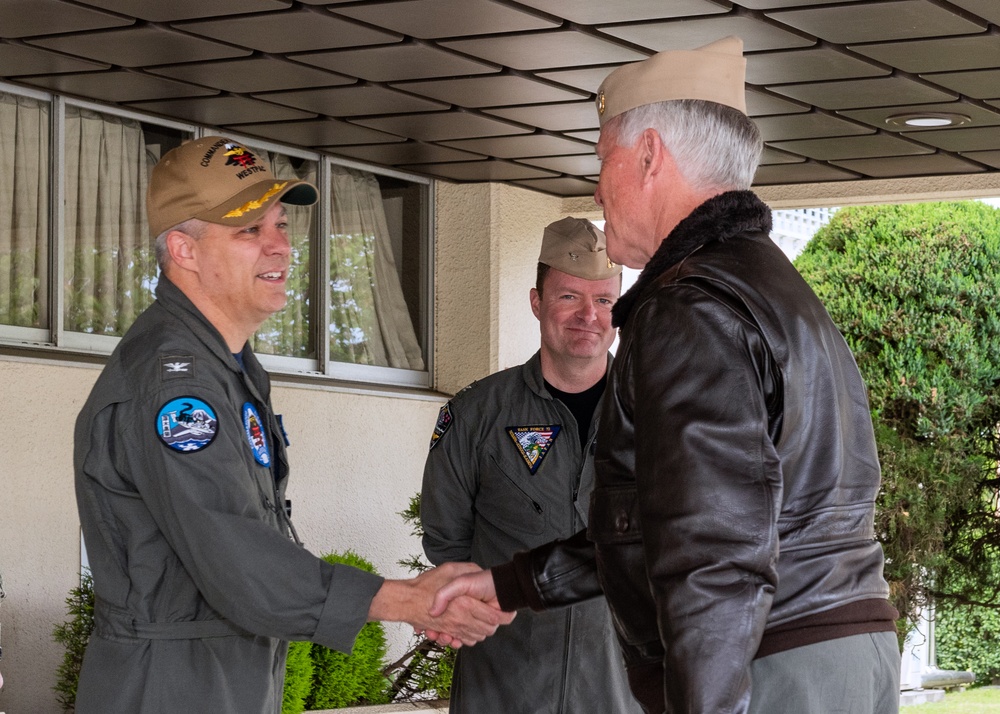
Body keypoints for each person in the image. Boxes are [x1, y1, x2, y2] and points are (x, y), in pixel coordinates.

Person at [431, 37, 901, 714]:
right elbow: (664, 520)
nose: (597, 188)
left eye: (603, 160)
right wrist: (513, 585)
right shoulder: (773, 289)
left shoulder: (692, 306)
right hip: (828, 655)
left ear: (649, 156)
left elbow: (711, 548)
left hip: (767, 667)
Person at [73, 136, 511, 714]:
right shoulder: (176, 387)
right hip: (173, 686)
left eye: (280, 225)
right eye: (250, 231)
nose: (281, 247)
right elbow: (242, 564)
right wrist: (405, 600)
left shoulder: (226, 367)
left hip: (220, 677)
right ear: (183, 249)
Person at [420, 218, 640, 714]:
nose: (588, 315)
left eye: (604, 301)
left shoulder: (655, 415)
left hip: (623, 690)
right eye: (568, 297)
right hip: (503, 687)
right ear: (537, 301)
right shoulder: (477, 414)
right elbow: (447, 542)